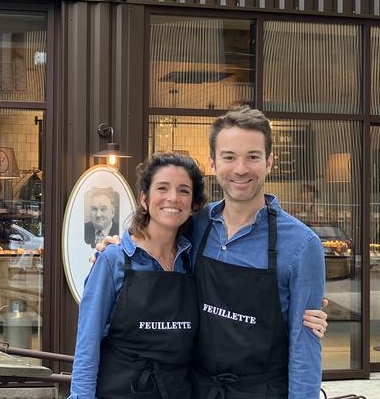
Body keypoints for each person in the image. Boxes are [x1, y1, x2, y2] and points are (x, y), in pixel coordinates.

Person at [95, 106, 328, 398]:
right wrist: (116, 248)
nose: (240, 169)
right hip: (198, 388)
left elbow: (304, 346)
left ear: (269, 162)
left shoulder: (303, 245)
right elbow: (153, 250)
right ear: (213, 163)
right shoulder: (197, 224)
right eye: (229, 157)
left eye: (253, 157)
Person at [69, 152, 205, 399]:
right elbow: (87, 343)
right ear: (144, 199)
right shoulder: (114, 259)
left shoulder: (192, 260)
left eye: (184, 190)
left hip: (178, 391)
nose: (173, 198)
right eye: (162, 188)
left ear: (194, 203)